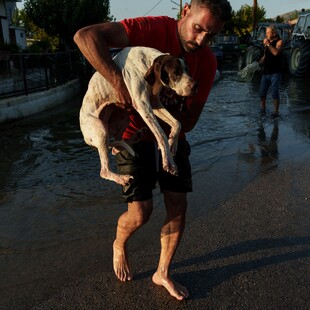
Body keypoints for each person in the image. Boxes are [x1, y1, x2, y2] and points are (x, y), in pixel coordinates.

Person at [74, 0, 232, 301]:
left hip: (168, 135)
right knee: (140, 213)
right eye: (198, 28)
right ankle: (119, 243)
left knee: (178, 206)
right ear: (185, 11)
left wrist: (171, 136)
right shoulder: (151, 29)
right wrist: (120, 87)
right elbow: (85, 36)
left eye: (210, 36)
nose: (201, 40)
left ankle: (162, 272)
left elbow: (190, 121)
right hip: (129, 135)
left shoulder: (208, 63)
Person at [258, 25, 284, 118]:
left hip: (275, 73)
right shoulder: (267, 42)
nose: (266, 34)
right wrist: (258, 63)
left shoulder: (279, 42)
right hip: (265, 72)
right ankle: (262, 110)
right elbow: (266, 55)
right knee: (262, 93)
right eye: (266, 33)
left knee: (274, 93)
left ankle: (276, 112)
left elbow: (276, 53)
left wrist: (268, 44)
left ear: (274, 33)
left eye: (268, 33)